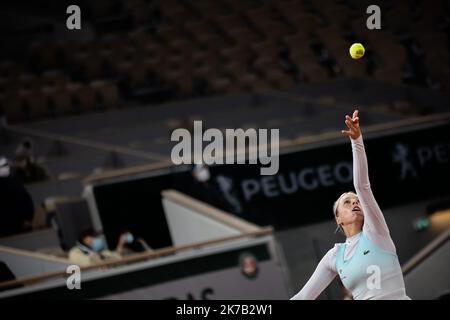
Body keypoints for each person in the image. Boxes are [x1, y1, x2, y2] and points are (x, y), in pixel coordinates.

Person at [291, 110, 411, 300]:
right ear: (338, 218)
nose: (355, 202)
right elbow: (303, 297)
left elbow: (362, 186)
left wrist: (357, 140)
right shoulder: (334, 256)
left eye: (357, 201)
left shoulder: (375, 231)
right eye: (347, 202)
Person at [0, 156, 35, 237]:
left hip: (19, 227)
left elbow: (27, 202)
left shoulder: (15, 183)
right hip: (10, 228)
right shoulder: (15, 183)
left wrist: (27, 219)